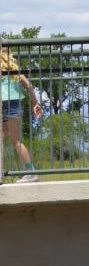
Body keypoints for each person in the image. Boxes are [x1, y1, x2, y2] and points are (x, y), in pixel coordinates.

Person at [0, 45, 43, 184]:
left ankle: (31, 172)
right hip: (15, 104)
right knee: (4, 135)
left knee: (15, 141)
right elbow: (29, 85)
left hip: (5, 104)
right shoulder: (15, 70)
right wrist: (35, 103)